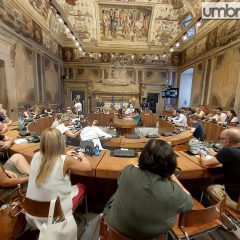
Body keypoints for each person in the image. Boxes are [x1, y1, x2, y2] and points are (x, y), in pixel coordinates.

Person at [104, 139, 193, 239]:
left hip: (113, 233)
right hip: (151, 237)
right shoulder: (174, 192)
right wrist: (173, 177)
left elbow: (120, 180)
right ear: (171, 162)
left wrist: (139, 168)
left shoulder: (128, 170)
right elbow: (190, 202)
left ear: (143, 156)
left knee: (119, 192)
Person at [26, 128, 92, 228]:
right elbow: (88, 168)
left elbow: (51, 157)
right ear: (61, 142)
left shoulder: (36, 156)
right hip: (54, 216)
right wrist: (82, 156)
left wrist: (64, 155)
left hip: (31, 213)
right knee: (81, 186)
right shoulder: (66, 160)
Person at [198, 127, 240, 211]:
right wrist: (216, 154)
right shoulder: (233, 151)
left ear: (227, 141)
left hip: (236, 202)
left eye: (220, 139)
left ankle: (208, 212)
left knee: (205, 186)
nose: (219, 141)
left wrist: (201, 154)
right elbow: (231, 159)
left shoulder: (228, 151)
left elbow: (205, 164)